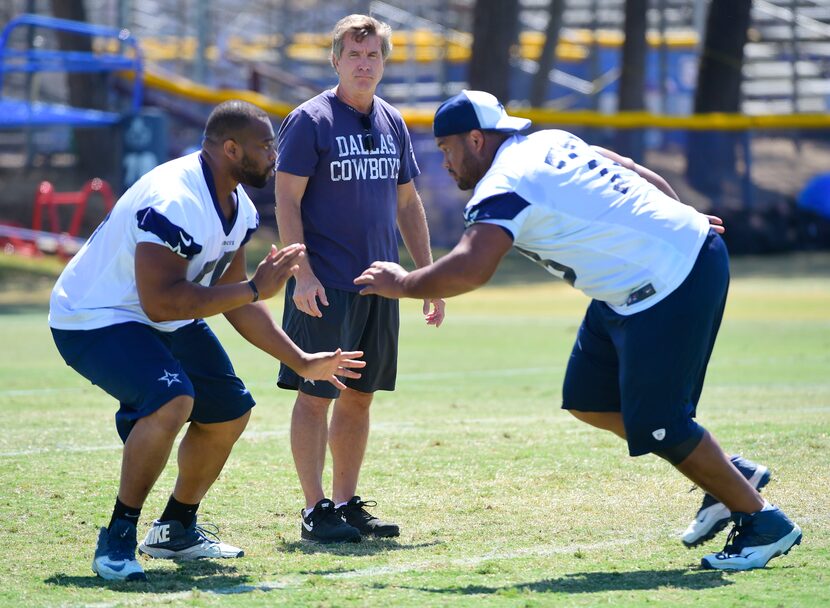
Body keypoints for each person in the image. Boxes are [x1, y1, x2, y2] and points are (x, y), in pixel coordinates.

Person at [355, 90, 802, 571]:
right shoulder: (548, 140)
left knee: (662, 423)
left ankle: (763, 522)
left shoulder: (506, 181)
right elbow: (628, 166)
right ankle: (728, 476)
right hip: (632, 287)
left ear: (477, 139)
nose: (443, 162)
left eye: (446, 149)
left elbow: (472, 267)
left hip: (668, 283)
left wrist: (401, 283)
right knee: (591, 399)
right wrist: (675, 217)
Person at [49, 100, 365, 581]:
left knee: (228, 411)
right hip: (94, 316)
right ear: (231, 148)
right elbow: (161, 303)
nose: (273, 155)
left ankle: (176, 528)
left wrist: (300, 360)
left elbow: (233, 298)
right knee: (171, 399)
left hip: (157, 316)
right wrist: (257, 287)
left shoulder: (237, 206)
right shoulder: (175, 199)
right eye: (264, 145)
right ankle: (117, 537)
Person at [275, 14, 445, 543]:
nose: (364, 64)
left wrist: (427, 276)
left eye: (373, 56)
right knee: (315, 393)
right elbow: (286, 198)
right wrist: (301, 272)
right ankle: (313, 510)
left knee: (360, 396)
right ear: (335, 60)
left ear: (384, 62)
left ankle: (346, 504)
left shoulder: (392, 119)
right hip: (324, 285)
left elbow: (407, 202)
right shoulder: (311, 119)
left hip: (379, 286)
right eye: (354, 55)